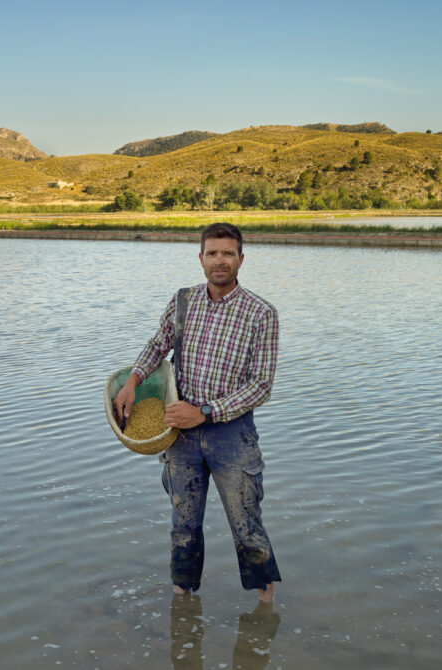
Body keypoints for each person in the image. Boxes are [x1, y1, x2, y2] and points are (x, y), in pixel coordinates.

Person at [114, 222, 281, 603]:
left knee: (247, 525)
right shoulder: (183, 301)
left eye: (228, 253)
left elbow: (261, 385)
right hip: (179, 436)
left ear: (241, 258)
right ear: (201, 258)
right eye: (212, 253)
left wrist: (205, 412)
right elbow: (157, 346)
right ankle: (183, 607)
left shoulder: (261, 314)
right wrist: (132, 381)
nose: (219, 261)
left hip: (231, 434)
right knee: (183, 525)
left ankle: (266, 610)